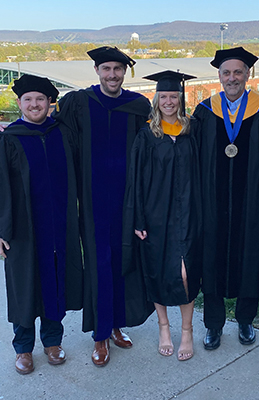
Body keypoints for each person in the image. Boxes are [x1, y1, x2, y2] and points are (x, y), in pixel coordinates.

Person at [52, 46, 154, 367]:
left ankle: (115, 325)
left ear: (126, 72)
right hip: (93, 202)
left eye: (118, 69)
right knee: (99, 263)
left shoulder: (138, 106)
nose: (112, 74)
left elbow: (153, 149)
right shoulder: (78, 103)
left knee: (123, 260)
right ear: (97, 70)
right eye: (106, 68)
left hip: (127, 201)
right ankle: (100, 335)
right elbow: (58, 141)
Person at [192, 47, 259, 350]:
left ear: (248, 75)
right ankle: (213, 325)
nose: (232, 78)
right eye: (226, 73)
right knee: (211, 259)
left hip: (251, 202)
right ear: (219, 76)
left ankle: (245, 319)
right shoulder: (204, 111)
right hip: (212, 202)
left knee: (248, 257)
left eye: (238, 72)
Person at [0, 74, 83, 374]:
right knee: (24, 284)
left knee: (54, 280)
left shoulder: (62, 133)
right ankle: (23, 347)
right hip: (22, 227)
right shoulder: (10, 138)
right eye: (28, 100)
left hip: (59, 222)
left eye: (40, 99)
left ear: (50, 103)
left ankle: (52, 341)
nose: (34, 104)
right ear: (20, 104)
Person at [123, 70, 201, 361]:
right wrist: (138, 220)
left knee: (185, 274)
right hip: (155, 216)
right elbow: (136, 181)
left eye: (174, 96)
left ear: (181, 99)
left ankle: (187, 331)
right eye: (164, 96)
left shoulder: (192, 130)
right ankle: (164, 328)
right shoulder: (147, 135)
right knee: (157, 272)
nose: (169, 101)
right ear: (156, 99)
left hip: (189, 213)